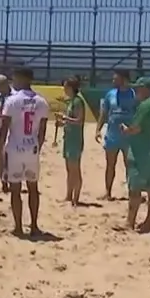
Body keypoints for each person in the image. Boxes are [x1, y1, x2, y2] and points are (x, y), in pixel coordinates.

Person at [0, 68, 49, 236]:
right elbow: (42, 131)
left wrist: (0, 152)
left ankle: (18, 227)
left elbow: (4, 129)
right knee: (33, 188)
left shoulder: (12, 101)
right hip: (32, 146)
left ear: (21, 78)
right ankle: (34, 225)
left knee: (15, 189)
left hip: (15, 147)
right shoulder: (41, 102)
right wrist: (37, 148)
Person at [120, 78, 150, 233]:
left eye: (138, 89)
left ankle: (130, 222)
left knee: (135, 189)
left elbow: (136, 128)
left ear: (145, 89)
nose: (136, 92)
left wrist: (125, 130)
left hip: (142, 152)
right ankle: (149, 221)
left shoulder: (145, 105)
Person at [95, 70, 136, 200]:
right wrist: (98, 129)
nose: (113, 81)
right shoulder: (110, 94)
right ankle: (108, 192)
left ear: (123, 79)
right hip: (112, 134)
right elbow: (104, 113)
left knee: (129, 165)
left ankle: (132, 192)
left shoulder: (133, 94)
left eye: (115, 79)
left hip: (129, 136)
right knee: (110, 165)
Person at [56, 76, 86, 206]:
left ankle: (76, 198)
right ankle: (69, 195)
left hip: (75, 139)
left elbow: (79, 120)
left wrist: (65, 118)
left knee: (75, 168)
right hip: (69, 137)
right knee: (69, 168)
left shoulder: (78, 102)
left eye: (66, 86)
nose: (64, 89)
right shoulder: (72, 101)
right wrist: (62, 123)